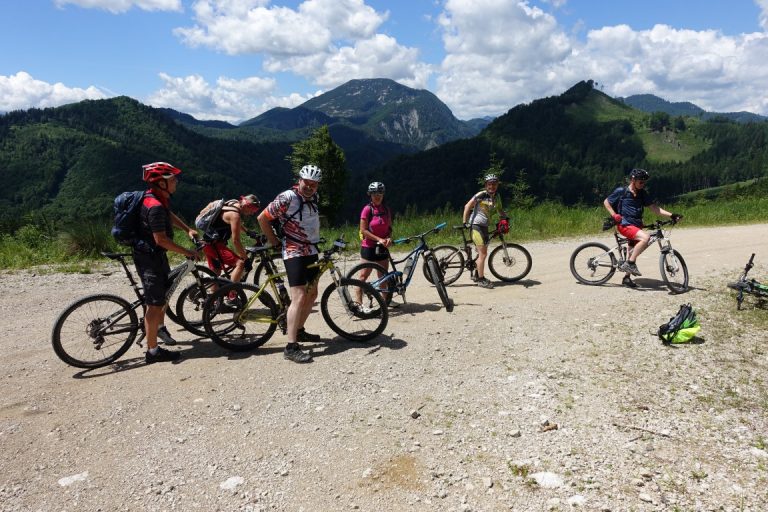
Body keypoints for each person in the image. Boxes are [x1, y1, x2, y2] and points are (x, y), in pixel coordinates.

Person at [257, 164, 323, 364]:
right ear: (299, 180)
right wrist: (275, 242)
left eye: (314, 184)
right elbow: (262, 218)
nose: (310, 187)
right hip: (294, 250)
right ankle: (291, 346)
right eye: (307, 183)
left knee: (313, 292)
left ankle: (299, 330)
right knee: (299, 295)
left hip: (311, 249)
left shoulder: (313, 199)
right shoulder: (288, 197)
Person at [135, 162, 198, 363]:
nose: (176, 182)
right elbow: (160, 240)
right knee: (154, 305)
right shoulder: (153, 207)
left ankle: (158, 328)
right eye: (172, 179)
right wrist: (188, 251)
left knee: (161, 296)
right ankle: (153, 352)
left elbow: (168, 215)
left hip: (154, 256)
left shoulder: (156, 199)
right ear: (161, 183)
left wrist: (187, 229)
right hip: (149, 259)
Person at [604, 168, 682, 288]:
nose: (643, 184)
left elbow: (655, 208)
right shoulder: (622, 191)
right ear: (633, 180)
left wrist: (672, 215)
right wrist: (614, 215)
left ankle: (626, 278)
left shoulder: (642, 194)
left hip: (636, 225)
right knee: (645, 238)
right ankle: (630, 263)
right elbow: (606, 202)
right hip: (624, 224)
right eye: (641, 182)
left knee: (633, 251)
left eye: (644, 182)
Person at [199, 194, 261, 287]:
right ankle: (231, 296)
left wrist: (248, 232)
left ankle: (212, 298)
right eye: (253, 210)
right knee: (240, 263)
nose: (252, 213)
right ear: (247, 206)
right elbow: (236, 241)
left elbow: (234, 224)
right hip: (215, 246)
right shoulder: (235, 215)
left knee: (216, 272)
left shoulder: (234, 203)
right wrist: (246, 259)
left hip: (207, 242)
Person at [462, 173, 509, 289]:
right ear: (486, 185)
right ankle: (481, 280)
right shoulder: (481, 195)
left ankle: (477, 274)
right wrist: (465, 221)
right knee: (483, 254)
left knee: (481, 252)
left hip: (485, 227)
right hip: (476, 226)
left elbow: (499, 210)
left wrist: (506, 218)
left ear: (497, 185)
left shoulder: (496, 197)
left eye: (494, 184)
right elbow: (467, 206)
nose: (492, 186)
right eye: (489, 184)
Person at [357, 182, 393, 302]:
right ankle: (358, 302)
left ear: (383, 195)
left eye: (380, 194)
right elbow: (363, 230)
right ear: (370, 195)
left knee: (383, 276)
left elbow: (389, 228)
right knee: (363, 276)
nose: (377, 196)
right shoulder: (367, 210)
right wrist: (379, 239)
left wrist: (388, 238)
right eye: (374, 194)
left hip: (382, 247)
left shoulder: (386, 209)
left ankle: (385, 301)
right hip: (369, 247)